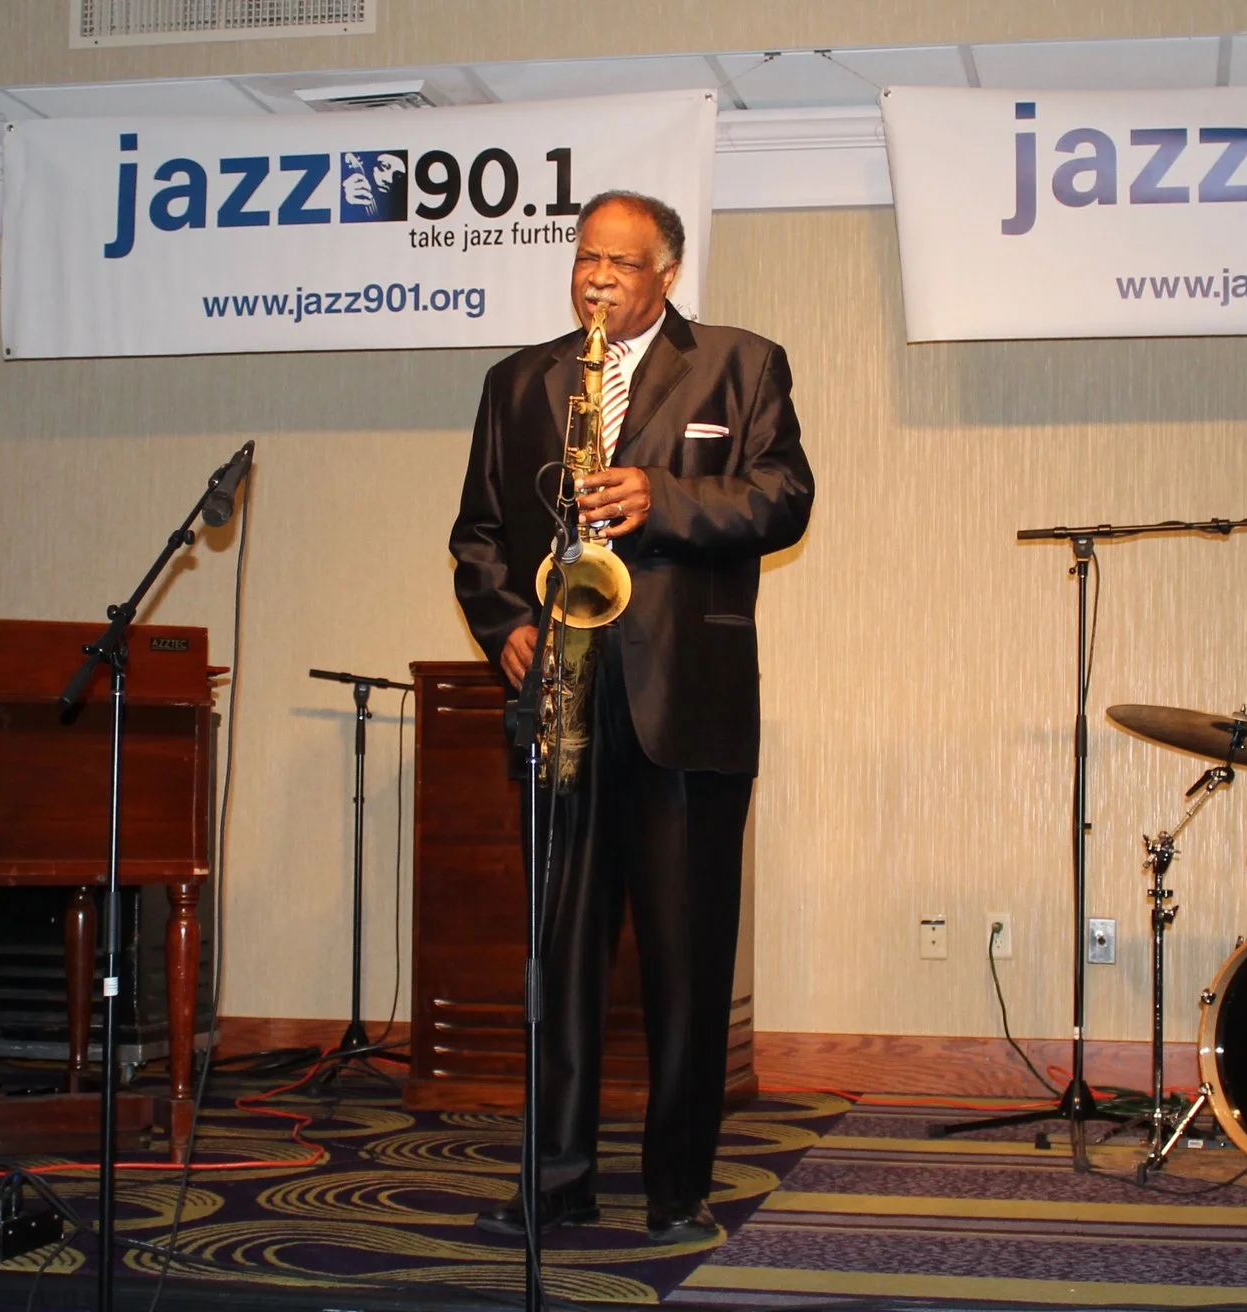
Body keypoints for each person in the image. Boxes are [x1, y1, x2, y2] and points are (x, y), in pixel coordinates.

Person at [448, 191, 814, 1245]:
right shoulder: (517, 382)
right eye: (584, 259)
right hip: (557, 692)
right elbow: (476, 535)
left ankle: (674, 1187)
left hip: (684, 707)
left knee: (684, 957)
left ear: (666, 273)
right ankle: (550, 1182)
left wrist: (665, 497)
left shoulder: (740, 364)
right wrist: (504, 624)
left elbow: (784, 497)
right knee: (557, 955)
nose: (596, 277)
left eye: (619, 261)